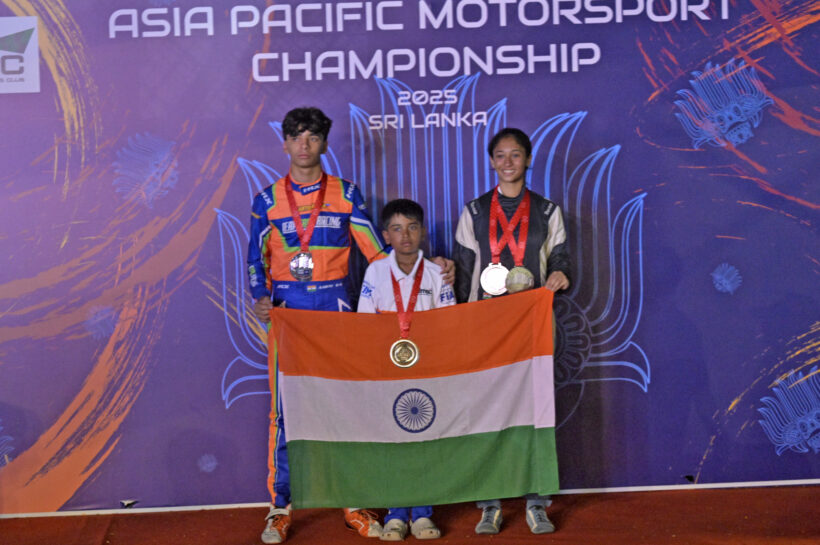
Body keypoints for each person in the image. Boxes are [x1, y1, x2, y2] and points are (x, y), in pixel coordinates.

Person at [247, 107, 454, 544]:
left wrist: (428, 266)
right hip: (288, 314)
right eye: (296, 137)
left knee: (347, 406)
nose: (304, 145)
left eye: (313, 137)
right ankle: (280, 507)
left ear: (324, 143)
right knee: (284, 411)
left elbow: (379, 254)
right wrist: (260, 297)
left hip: (337, 309)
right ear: (284, 144)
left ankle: (354, 501)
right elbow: (254, 261)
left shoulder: (346, 194)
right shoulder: (266, 200)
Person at [452, 127, 571, 535]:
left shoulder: (548, 211)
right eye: (500, 155)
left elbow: (561, 257)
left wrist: (561, 273)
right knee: (488, 411)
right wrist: (463, 323)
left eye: (515, 154)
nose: (508, 162)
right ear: (491, 162)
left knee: (535, 412)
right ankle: (490, 503)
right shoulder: (473, 212)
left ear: (528, 159)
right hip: (485, 323)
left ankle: (537, 502)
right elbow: (464, 269)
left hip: (531, 322)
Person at [357, 198, 454, 541]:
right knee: (393, 440)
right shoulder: (375, 272)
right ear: (386, 235)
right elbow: (365, 323)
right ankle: (396, 513)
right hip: (387, 368)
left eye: (412, 227)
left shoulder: (437, 273)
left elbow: (448, 323)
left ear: (423, 231)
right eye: (397, 229)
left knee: (425, 439)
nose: (405, 236)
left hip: (427, 367)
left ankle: (423, 514)